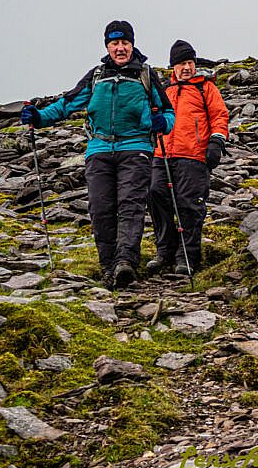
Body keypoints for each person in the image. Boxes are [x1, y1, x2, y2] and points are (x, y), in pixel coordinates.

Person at [20, 21, 174, 289]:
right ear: (107, 46)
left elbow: (168, 111)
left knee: (130, 206)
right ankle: (108, 267)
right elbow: (67, 105)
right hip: (99, 150)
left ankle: (125, 263)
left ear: (132, 44)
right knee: (101, 209)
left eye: (125, 43)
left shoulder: (146, 75)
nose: (120, 48)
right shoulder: (96, 76)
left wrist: (164, 123)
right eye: (114, 43)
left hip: (136, 148)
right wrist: (39, 117)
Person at [146, 40, 229, 276]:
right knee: (155, 195)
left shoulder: (206, 88)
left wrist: (216, 143)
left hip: (193, 155)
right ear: (173, 66)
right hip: (161, 154)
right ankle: (165, 252)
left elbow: (220, 116)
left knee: (189, 206)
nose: (187, 67)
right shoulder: (164, 90)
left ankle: (187, 257)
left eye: (190, 62)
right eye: (182, 63)